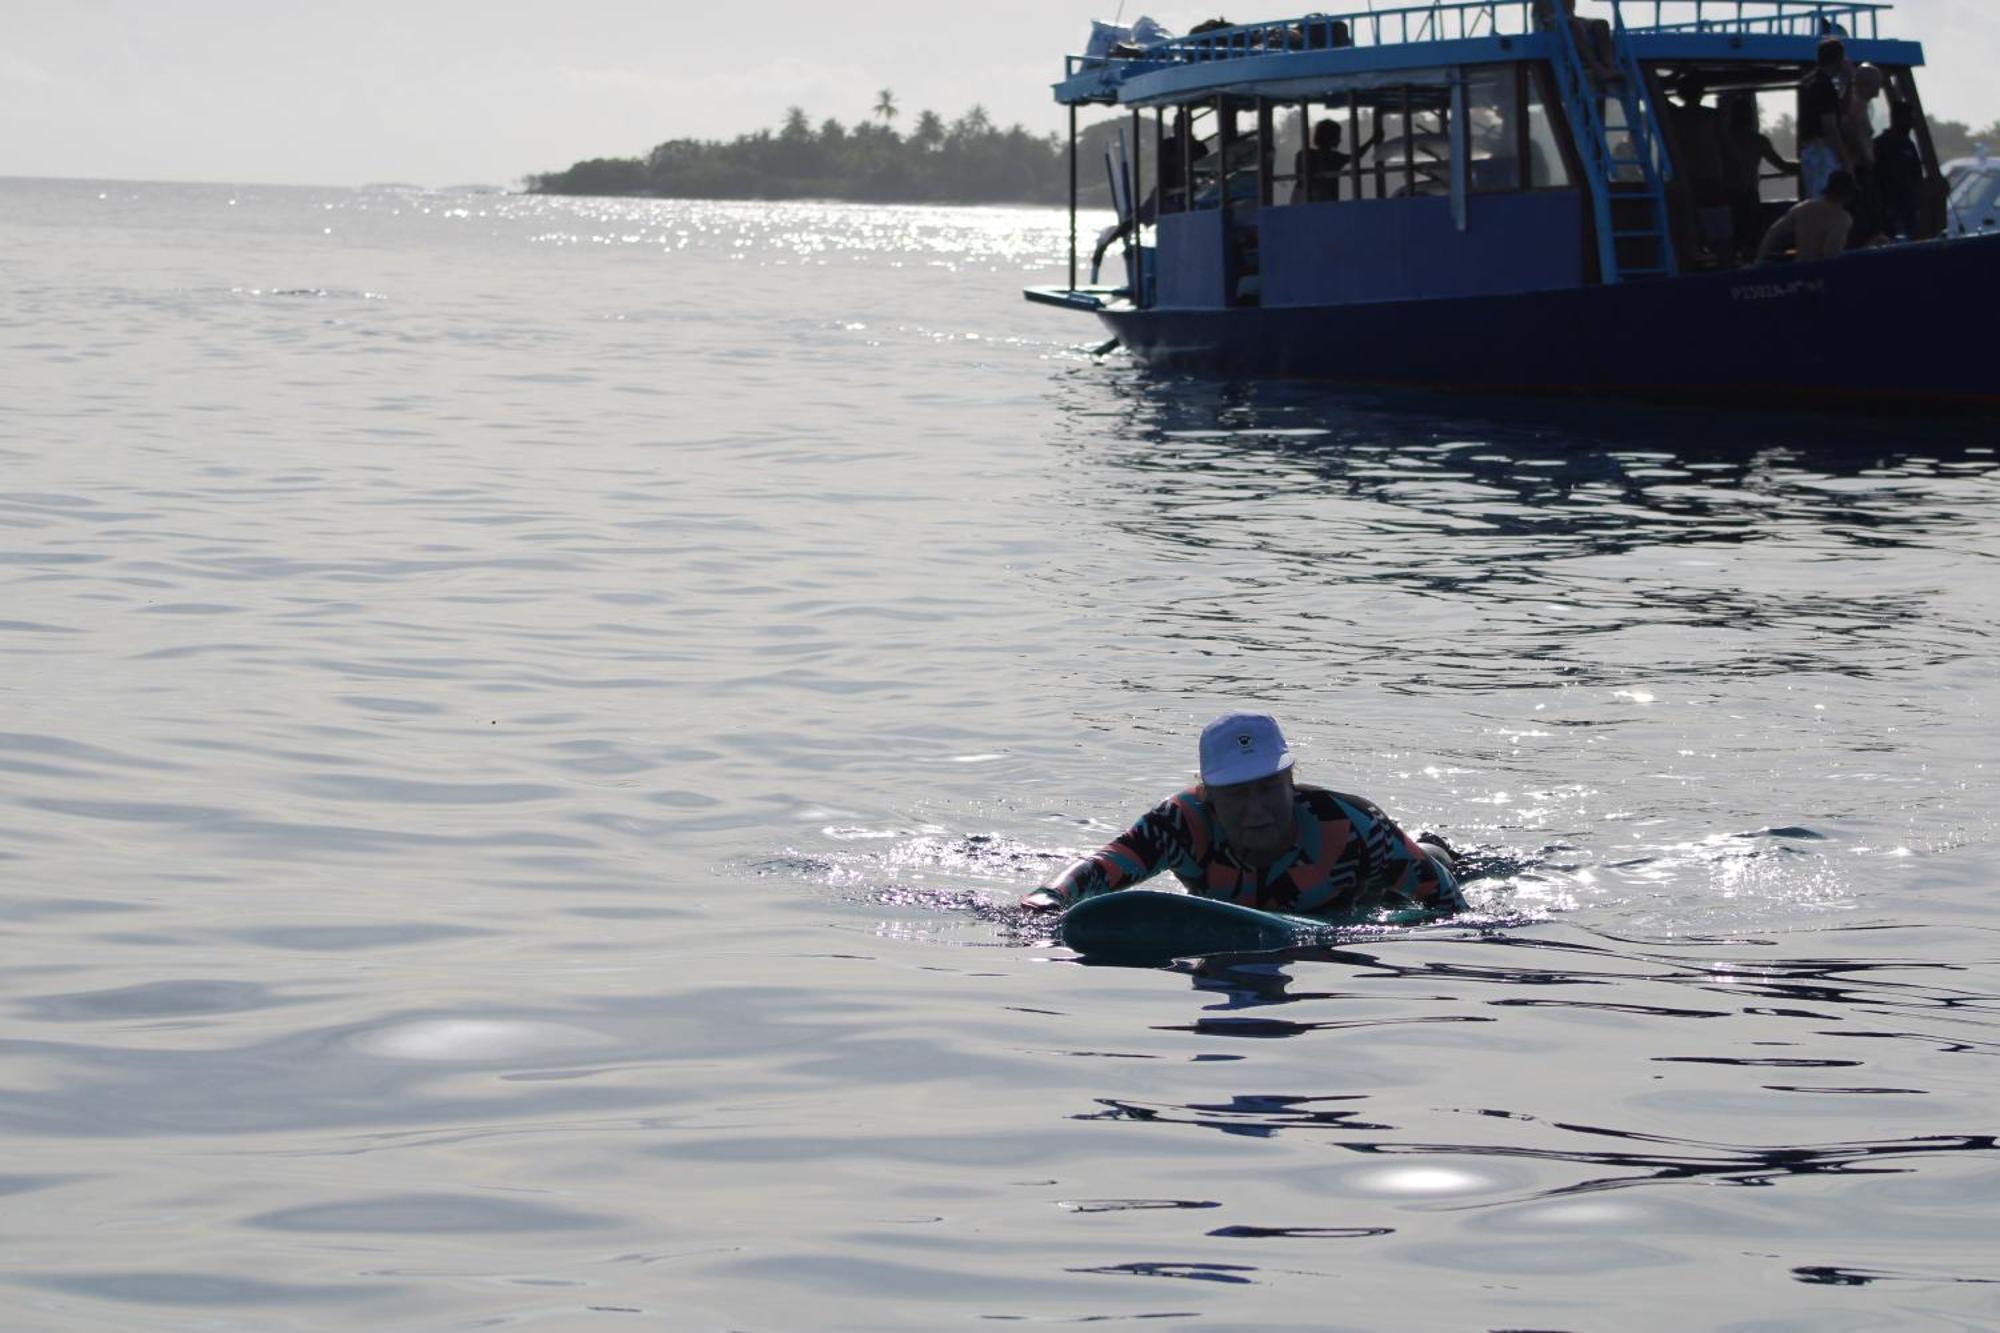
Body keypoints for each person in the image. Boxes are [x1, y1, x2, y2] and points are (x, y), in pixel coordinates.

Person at [1019, 712, 1467, 918]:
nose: (1257, 810)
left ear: (1291, 784)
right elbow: (1103, 866)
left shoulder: (1354, 826)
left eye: (1268, 789)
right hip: (1251, 909)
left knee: (1435, 862)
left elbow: (1450, 907)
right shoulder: (1180, 823)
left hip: (1367, 899)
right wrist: (1049, 899)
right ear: (1208, 794)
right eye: (1236, 794)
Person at [1719, 91, 1797, 262]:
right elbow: (1782, 165)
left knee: (1733, 237)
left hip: (1728, 193)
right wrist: (1805, 167)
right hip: (1748, 193)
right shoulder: (1757, 140)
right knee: (1752, 236)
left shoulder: (1723, 139)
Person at [1671, 72, 1734, 260]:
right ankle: (1725, 265)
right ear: (1702, 92)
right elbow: (1727, 148)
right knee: (1721, 233)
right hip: (1711, 180)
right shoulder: (1712, 117)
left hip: (1685, 180)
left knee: (1690, 227)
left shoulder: (1675, 117)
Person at [1755, 168, 1856, 263]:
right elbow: (1831, 252)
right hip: (1822, 274)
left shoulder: (1802, 208)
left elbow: (1772, 234)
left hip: (1800, 271)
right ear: (1848, 195)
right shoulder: (1842, 218)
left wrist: (1758, 261)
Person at [1797, 38, 1852, 201]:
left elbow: (1840, 110)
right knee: (1825, 201)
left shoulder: (1808, 81)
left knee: (1814, 199)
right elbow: (1830, 128)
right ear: (1839, 59)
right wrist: (1845, 160)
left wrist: (1848, 83)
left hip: (1809, 150)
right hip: (1821, 151)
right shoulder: (1824, 85)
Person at [1872, 99, 1925, 239]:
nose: (1912, 123)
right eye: (1909, 118)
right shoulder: (1881, 144)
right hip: (1891, 207)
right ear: (1898, 118)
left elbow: (1917, 174)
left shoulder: (1909, 145)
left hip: (1909, 205)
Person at [1291, 118, 1350, 203]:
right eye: (1338, 136)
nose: (1340, 140)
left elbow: (1300, 179)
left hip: (1299, 199)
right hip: (1321, 201)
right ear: (1331, 137)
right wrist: (1372, 141)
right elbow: (1356, 156)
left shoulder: (1302, 154)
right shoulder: (1334, 157)